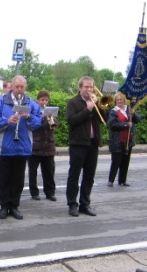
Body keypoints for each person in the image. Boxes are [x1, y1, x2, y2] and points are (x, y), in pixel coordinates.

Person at [0, 75, 41, 220]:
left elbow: (38, 122)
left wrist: (28, 117)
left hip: (23, 146)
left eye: (22, 87)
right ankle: (4, 206)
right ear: (12, 86)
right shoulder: (1, 101)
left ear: (25, 88)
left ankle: (15, 206)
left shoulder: (31, 103)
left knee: (18, 180)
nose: (19, 90)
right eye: (16, 87)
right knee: (4, 179)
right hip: (6, 146)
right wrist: (7, 121)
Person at [66, 76, 105, 217]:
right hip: (78, 143)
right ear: (80, 88)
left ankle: (85, 204)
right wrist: (88, 109)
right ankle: (72, 204)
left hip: (93, 144)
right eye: (86, 87)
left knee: (89, 176)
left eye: (91, 87)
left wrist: (100, 105)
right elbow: (71, 121)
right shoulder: (73, 102)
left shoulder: (96, 101)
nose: (89, 89)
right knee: (74, 175)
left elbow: (104, 119)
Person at [28, 90, 58, 201]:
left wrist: (51, 118)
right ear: (37, 100)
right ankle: (34, 192)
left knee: (49, 171)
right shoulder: (34, 111)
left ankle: (50, 192)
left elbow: (55, 126)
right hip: (35, 145)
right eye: (42, 100)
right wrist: (42, 118)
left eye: (46, 100)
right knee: (33, 172)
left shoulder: (50, 111)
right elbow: (33, 126)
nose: (44, 102)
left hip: (48, 146)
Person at [107, 93, 141, 187]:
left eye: (121, 99)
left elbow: (138, 120)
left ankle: (122, 180)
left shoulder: (129, 109)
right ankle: (111, 180)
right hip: (118, 140)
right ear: (115, 101)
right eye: (117, 100)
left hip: (128, 140)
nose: (119, 101)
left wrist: (134, 113)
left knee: (126, 161)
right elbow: (112, 125)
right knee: (116, 161)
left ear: (124, 100)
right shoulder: (114, 112)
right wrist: (126, 124)